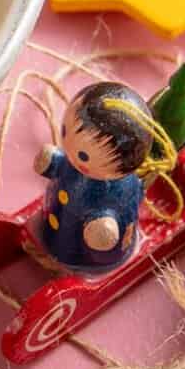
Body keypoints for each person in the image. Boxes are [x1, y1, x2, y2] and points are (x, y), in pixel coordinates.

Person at [32, 81, 172, 275]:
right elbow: (63, 164)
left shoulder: (122, 187)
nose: (71, 147)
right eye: (65, 132)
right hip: (53, 227)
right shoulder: (74, 164)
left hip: (82, 253)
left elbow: (117, 224)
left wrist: (104, 231)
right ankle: (49, 239)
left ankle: (83, 262)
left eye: (83, 156)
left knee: (89, 243)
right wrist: (52, 162)